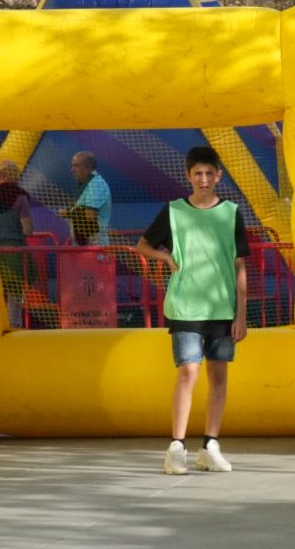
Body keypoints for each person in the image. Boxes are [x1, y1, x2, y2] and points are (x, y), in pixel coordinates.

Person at [134, 145, 249, 475]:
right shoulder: (173, 212)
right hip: (186, 305)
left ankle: (210, 444)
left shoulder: (231, 213)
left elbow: (240, 265)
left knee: (219, 375)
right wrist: (166, 258)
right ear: (189, 176)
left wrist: (242, 315)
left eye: (209, 173)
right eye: (197, 173)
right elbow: (142, 244)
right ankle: (177, 446)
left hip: (222, 306)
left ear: (218, 176)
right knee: (189, 371)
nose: (203, 179)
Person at [0, 160, 36, 324]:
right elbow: (27, 229)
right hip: (15, 252)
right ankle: (14, 327)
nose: (18, 175)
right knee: (15, 294)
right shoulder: (21, 197)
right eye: (16, 173)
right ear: (9, 175)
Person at [63, 150, 112, 246]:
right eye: (72, 165)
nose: (72, 169)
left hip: (94, 247)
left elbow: (90, 215)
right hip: (83, 245)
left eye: (76, 165)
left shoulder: (96, 184)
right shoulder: (85, 184)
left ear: (89, 168)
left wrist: (68, 213)